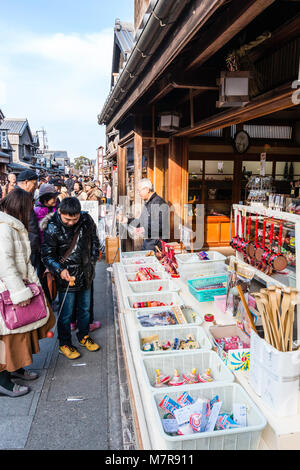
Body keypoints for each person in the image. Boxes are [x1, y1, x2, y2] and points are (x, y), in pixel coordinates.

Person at [0, 188, 55, 397]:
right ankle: (4, 380)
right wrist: (19, 293)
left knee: (16, 334)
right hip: (7, 291)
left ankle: (14, 370)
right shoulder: (5, 229)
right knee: (7, 338)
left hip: (14, 287)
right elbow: (5, 265)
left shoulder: (10, 225)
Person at [41, 197, 101, 360]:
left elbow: (95, 240)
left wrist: (93, 258)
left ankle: (84, 336)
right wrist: (59, 270)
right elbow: (47, 256)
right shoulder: (52, 228)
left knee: (85, 309)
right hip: (66, 278)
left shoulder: (86, 219)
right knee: (66, 314)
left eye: (75, 219)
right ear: (59, 212)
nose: (71, 223)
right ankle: (64, 343)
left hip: (86, 273)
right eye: (67, 219)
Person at [119, 178, 170, 252]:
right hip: (149, 242)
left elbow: (158, 226)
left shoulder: (157, 203)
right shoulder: (150, 202)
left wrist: (142, 230)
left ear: (147, 189)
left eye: (139, 190)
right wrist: (126, 220)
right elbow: (142, 221)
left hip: (156, 245)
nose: (138, 193)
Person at [17, 170, 42, 279]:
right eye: (34, 183)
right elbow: (31, 227)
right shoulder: (22, 198)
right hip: (26, 248)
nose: (36, 187)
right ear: (26, 182)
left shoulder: (16, 196)